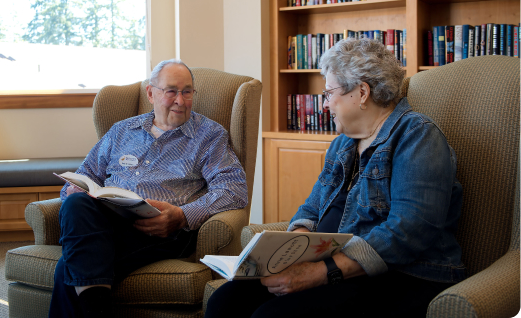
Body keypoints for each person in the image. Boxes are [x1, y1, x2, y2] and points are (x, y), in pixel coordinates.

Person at [205, 38, 466, 318]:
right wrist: (293, 249)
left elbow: (409, 231)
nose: (325, 103)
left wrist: (320, 272)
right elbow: (312, 208)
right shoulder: (343, 144)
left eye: (329, 93)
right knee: (225, 301)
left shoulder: (417, 135)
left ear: (362, 92)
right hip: (335, 267)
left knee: (273, 315)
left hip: (402, 274)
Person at [49, 59, 248, 318]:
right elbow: (84, 175)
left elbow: (234, 189)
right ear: (151, 93)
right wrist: (75, 191)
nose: (180, 100)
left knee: (69, 265)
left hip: (160, 230)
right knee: (76, 203)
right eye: (171, 91)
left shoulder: (209, 136)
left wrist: (182, 215)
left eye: (187, 91)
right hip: (106, 220)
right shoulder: (122, 130)